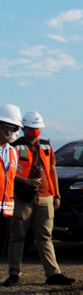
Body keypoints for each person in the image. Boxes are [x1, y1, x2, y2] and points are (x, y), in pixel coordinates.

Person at [4, 111, 75, 286]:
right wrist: (26, 182)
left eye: (37, 129)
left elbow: (52, 171)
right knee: (17, 236)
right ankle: (14, 274)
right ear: (25, 129)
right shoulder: (15, 147)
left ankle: (53, 274)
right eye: (31, 129)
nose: (35, 132)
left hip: (45, 198)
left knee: (45, 236)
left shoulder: (46, 146)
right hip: (22, 198)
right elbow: (8, 172)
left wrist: (56, 194)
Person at [0, 105, 22, 259]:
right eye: (13, 128)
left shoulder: (13, 152)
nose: (16, 133)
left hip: (5, 212)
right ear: (1, 127)